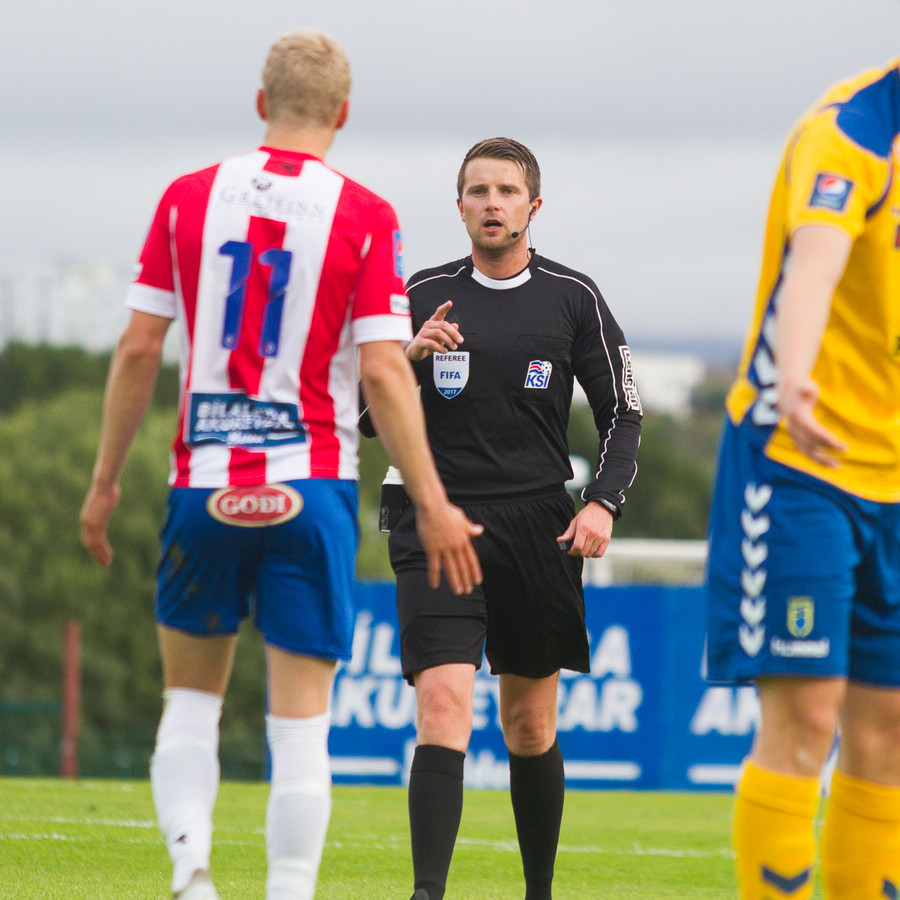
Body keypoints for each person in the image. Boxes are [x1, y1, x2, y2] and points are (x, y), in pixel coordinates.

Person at [79, 29, 482, 900]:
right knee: (299, 729)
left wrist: (105, 482)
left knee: (190, 707)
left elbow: (139, 349)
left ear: (261, 104)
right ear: (344, 113)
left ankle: (192, 872)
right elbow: (385, 369)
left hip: (205, 484)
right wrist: (434, 501)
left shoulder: (187, 198)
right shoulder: (365, 215)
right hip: (312, 485)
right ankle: (289, 890)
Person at [364, 137, 642, 900]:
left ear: (533, 206)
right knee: (443, 705)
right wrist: (408, 358)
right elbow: (360, 416)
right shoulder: (419, 293)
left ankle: (538, 892)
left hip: (537, 526)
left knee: (529, 726)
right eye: (479, 191)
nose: (493, 204)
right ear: (459, 206)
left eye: (507, 191)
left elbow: (623, 413)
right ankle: (427, 892)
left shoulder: (573, 297)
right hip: (435, 518)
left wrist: (602, 501)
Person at [705, 60, 900, 899]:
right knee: (808, 713)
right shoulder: (852, 130)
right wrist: (793, 381)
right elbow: (815, 267)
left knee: (888, 733)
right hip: (800, 460)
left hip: (895, 477)